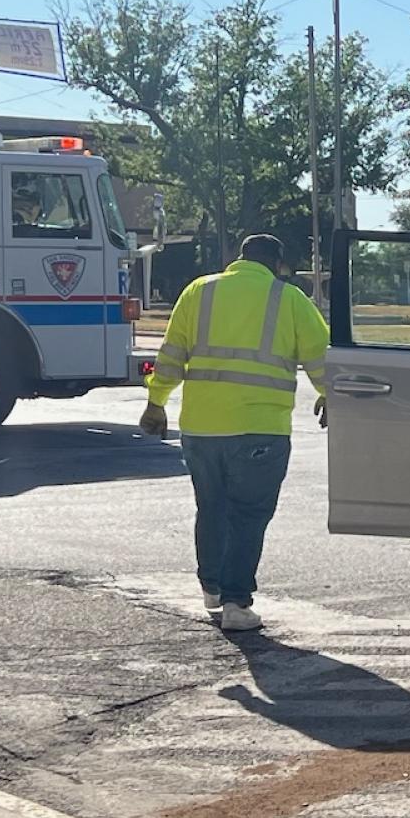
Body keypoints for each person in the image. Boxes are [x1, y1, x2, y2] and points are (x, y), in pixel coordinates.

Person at [139, 234, 329, 632]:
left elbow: (171, 354)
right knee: (248, 515)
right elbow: (321, 356)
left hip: (202, 427)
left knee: (211, 507)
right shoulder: (290, 299)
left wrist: (156, 402)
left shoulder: (198, 292)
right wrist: (332, 395)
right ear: (277, 263)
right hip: (261, 429)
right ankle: (236, 603)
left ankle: (212, 587)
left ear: (237, 259)